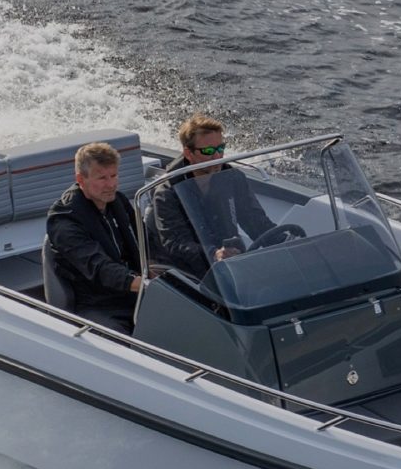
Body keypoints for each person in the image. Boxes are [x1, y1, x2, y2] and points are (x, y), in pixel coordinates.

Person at [151, 114, 278, 277]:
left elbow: (255, 221)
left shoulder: (233, 178)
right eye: (209, 151)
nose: (217, 157)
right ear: (188, 154)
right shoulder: (167, 193)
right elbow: (177, 244)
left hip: (229, 259)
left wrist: (282, 239)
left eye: (220, 149)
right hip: (188, 270)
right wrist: (213, 254)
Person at [46, 142, 143, 333]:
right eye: (102, 178)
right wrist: (140, 283)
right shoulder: (64, 219)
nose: (111, 184)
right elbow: (98, 267)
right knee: (123, 345)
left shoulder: (118, 202)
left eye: (114, 175)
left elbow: (144, 240)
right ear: (81, 180)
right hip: (97, 304)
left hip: (133, 294)